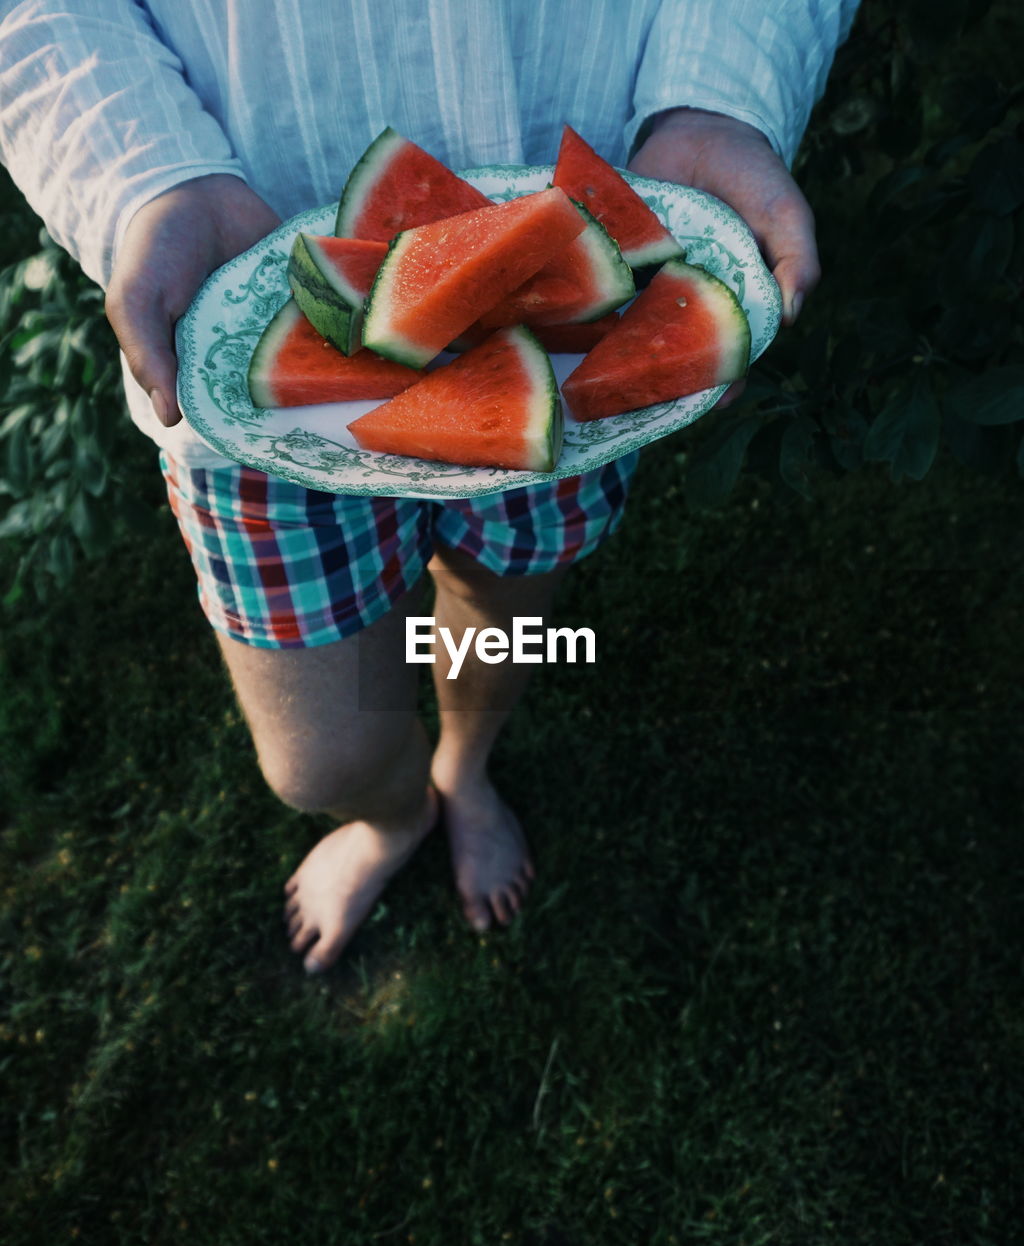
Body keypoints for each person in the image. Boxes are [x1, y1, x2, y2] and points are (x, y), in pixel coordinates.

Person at [0, 0, 859, 973]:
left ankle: (464, 763)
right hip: (252, 338)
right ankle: (391, 812)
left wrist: (717, 96)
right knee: (318, 758)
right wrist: (142, 174)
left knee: (499, 603)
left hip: (572, 332)